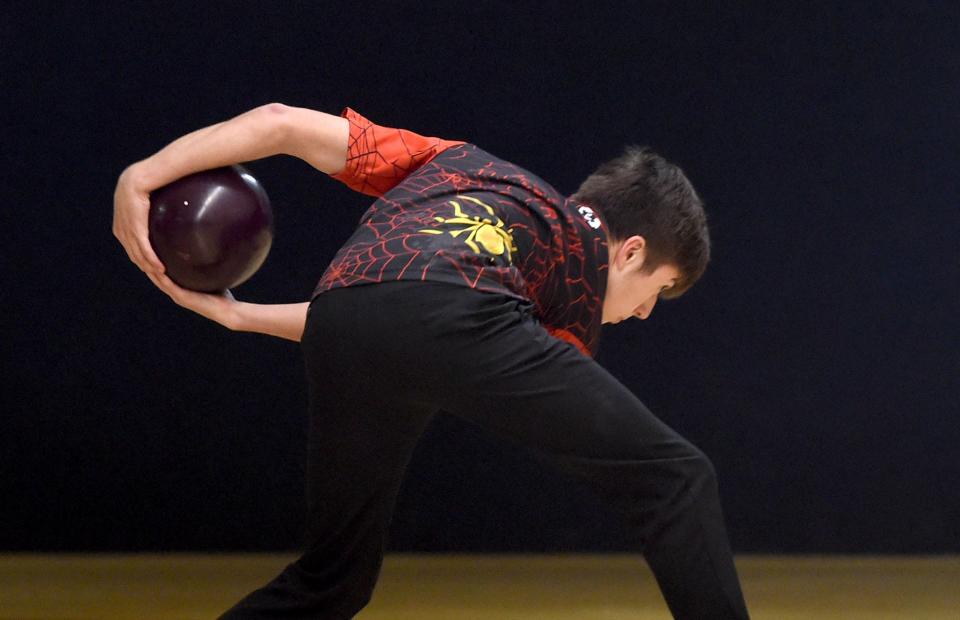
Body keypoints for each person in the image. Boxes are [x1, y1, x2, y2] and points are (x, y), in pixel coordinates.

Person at [113, 103, 751, 619]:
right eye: (659, 292)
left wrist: (144, 176)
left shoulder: (457, 161)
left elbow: (282, 126)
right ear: (632, 251)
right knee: (676, 476)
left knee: (331, 582)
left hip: (343, 319)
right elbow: (435, 311)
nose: (644, 313)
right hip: (450, 315)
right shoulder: (574, 298)